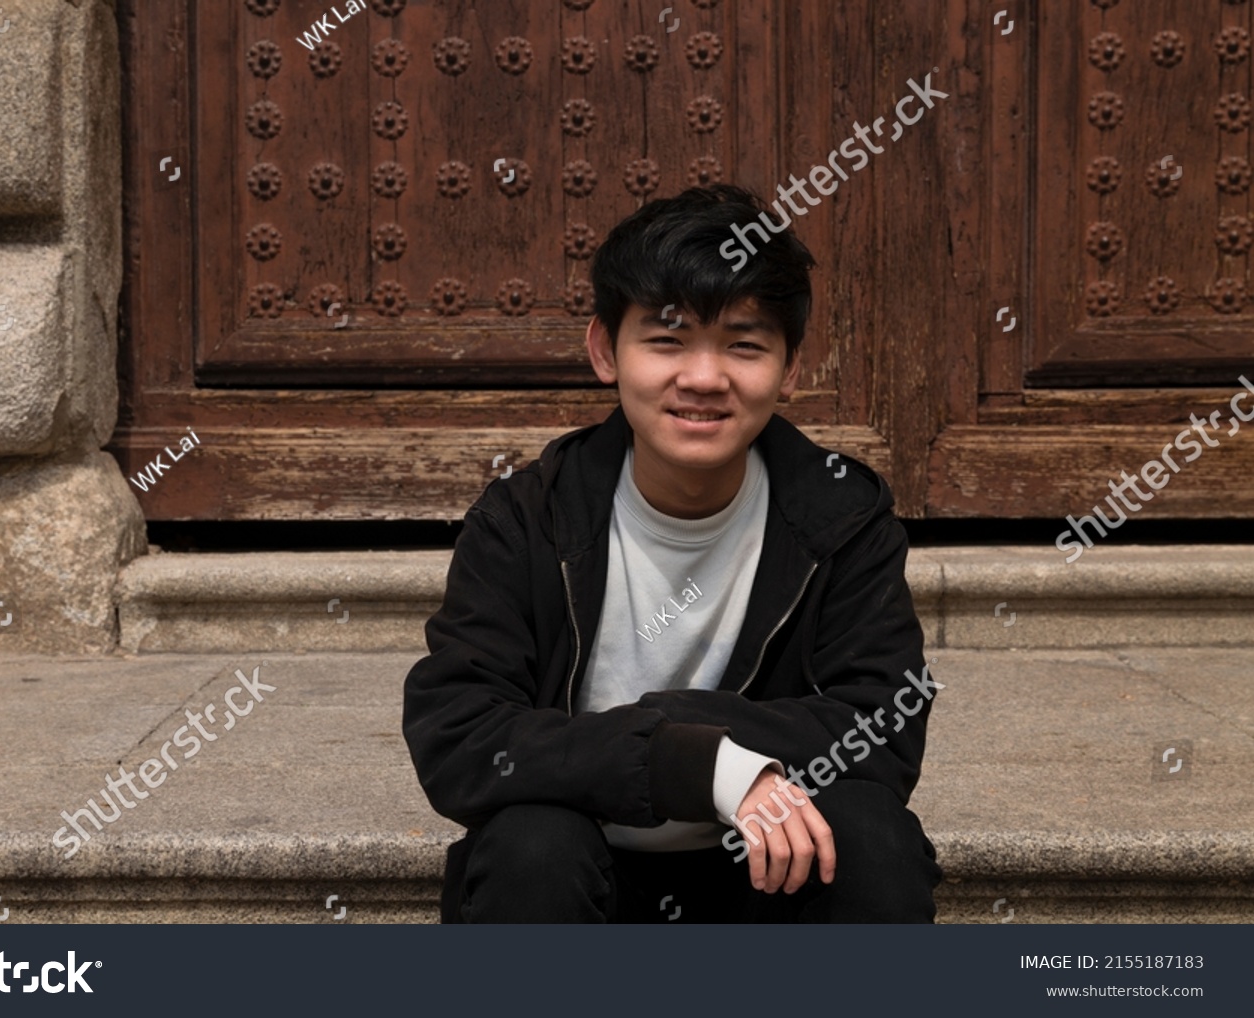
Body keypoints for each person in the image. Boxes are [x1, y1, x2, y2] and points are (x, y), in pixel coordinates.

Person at [403, 184, 942, 923]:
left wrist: (691, 741)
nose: (703, 377)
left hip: (763, 874)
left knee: (871, 835)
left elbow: (884, 724)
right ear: (605, 351)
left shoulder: (841, 520)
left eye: (744, 344)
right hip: (584, 878)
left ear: (789, 369)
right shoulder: (527, 519)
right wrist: (692, 764)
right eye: (667, 339)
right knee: (531, 843)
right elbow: (459, 735)